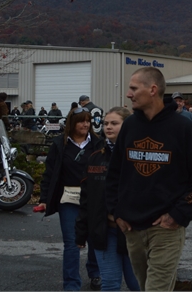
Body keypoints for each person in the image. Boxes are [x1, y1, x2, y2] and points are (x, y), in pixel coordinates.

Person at [106, 67, 192, 291]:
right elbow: (114, 173)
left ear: (153, 89)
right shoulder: (130, 127)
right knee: (146, 286)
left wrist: (178, 213)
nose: (129, 94)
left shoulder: (182, 127)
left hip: (166, 229)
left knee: (156, 289)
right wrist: (115, 211)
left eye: (134, 88)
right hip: (131, 227)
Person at [76, 107, 140, 292]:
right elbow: (86, 198)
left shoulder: (138, 155)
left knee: (137, 284)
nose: (108, 127)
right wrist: (81, 232)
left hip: (132, 232)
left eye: (114, 123)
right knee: (110, 285)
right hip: (104, 232)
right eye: (105, 123)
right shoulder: (96, 157)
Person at [39, 107, 103, 291]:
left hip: (94, 199)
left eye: (88, 120)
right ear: (72, 124)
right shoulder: (60, 144)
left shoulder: (98, 143)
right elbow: (49, 173)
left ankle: (95, 273)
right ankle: (71, 284)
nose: (85, 124)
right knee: (72, 242)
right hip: (68, 200)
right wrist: (44, 198)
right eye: (81, 121)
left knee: (95, 239)